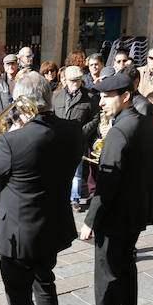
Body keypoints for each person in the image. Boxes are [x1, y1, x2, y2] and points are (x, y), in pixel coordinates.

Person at [0, 72, 82, 305]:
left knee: (18, 296)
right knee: (45, 281)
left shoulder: (13, 141)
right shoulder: (73, 130)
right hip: (53, 224)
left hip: (18, 233)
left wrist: (6, 138)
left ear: (23, 103)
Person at [79, 73, 153, 305]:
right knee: (126, 268)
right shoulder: (144, 123)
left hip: (115, 216)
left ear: (125, 97)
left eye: (106, 97)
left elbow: (107, 184)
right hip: (135, 212)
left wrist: (90, 220)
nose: (101, 103)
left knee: (108, 273)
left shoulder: (120, 130)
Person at [52, 66, 100, 211]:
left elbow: (95, 118)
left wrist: (82, 132)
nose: (75, 83)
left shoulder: (90, 97)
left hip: (78, 140)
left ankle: (74, 200)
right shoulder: (56, 96)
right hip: (60, 141)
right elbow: (52, 116)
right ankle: (60, 197)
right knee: (59, 171)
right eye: (72, 80)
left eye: (78, 80)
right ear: (65, 80)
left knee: (76, 173)